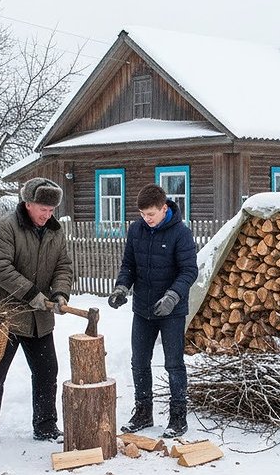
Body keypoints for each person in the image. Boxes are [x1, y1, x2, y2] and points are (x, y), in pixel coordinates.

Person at [0, 177, 73, 448]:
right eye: (43, 208)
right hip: (5, 315)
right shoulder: (5, 228)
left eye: (52, 210)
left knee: (47, 371)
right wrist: (32, 295)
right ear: (28, 203)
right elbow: (0, 268)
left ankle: (45, 425)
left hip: (40, 318)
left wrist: (60, 293)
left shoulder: (55, 231)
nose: (47, 214)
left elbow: (63, 266)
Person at [108, 183, 198, 438]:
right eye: (143, 215)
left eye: (151, 214)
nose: (146, 220)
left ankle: (178, 417)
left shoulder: (181, 233)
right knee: (139, 362)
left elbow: (189, 270)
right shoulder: (136, 230)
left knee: (173, 363)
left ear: (164, 208)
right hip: (143, 308)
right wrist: (121, 287)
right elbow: (129, 265)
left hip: (172, 309)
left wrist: (173, 295)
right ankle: (143, 412)